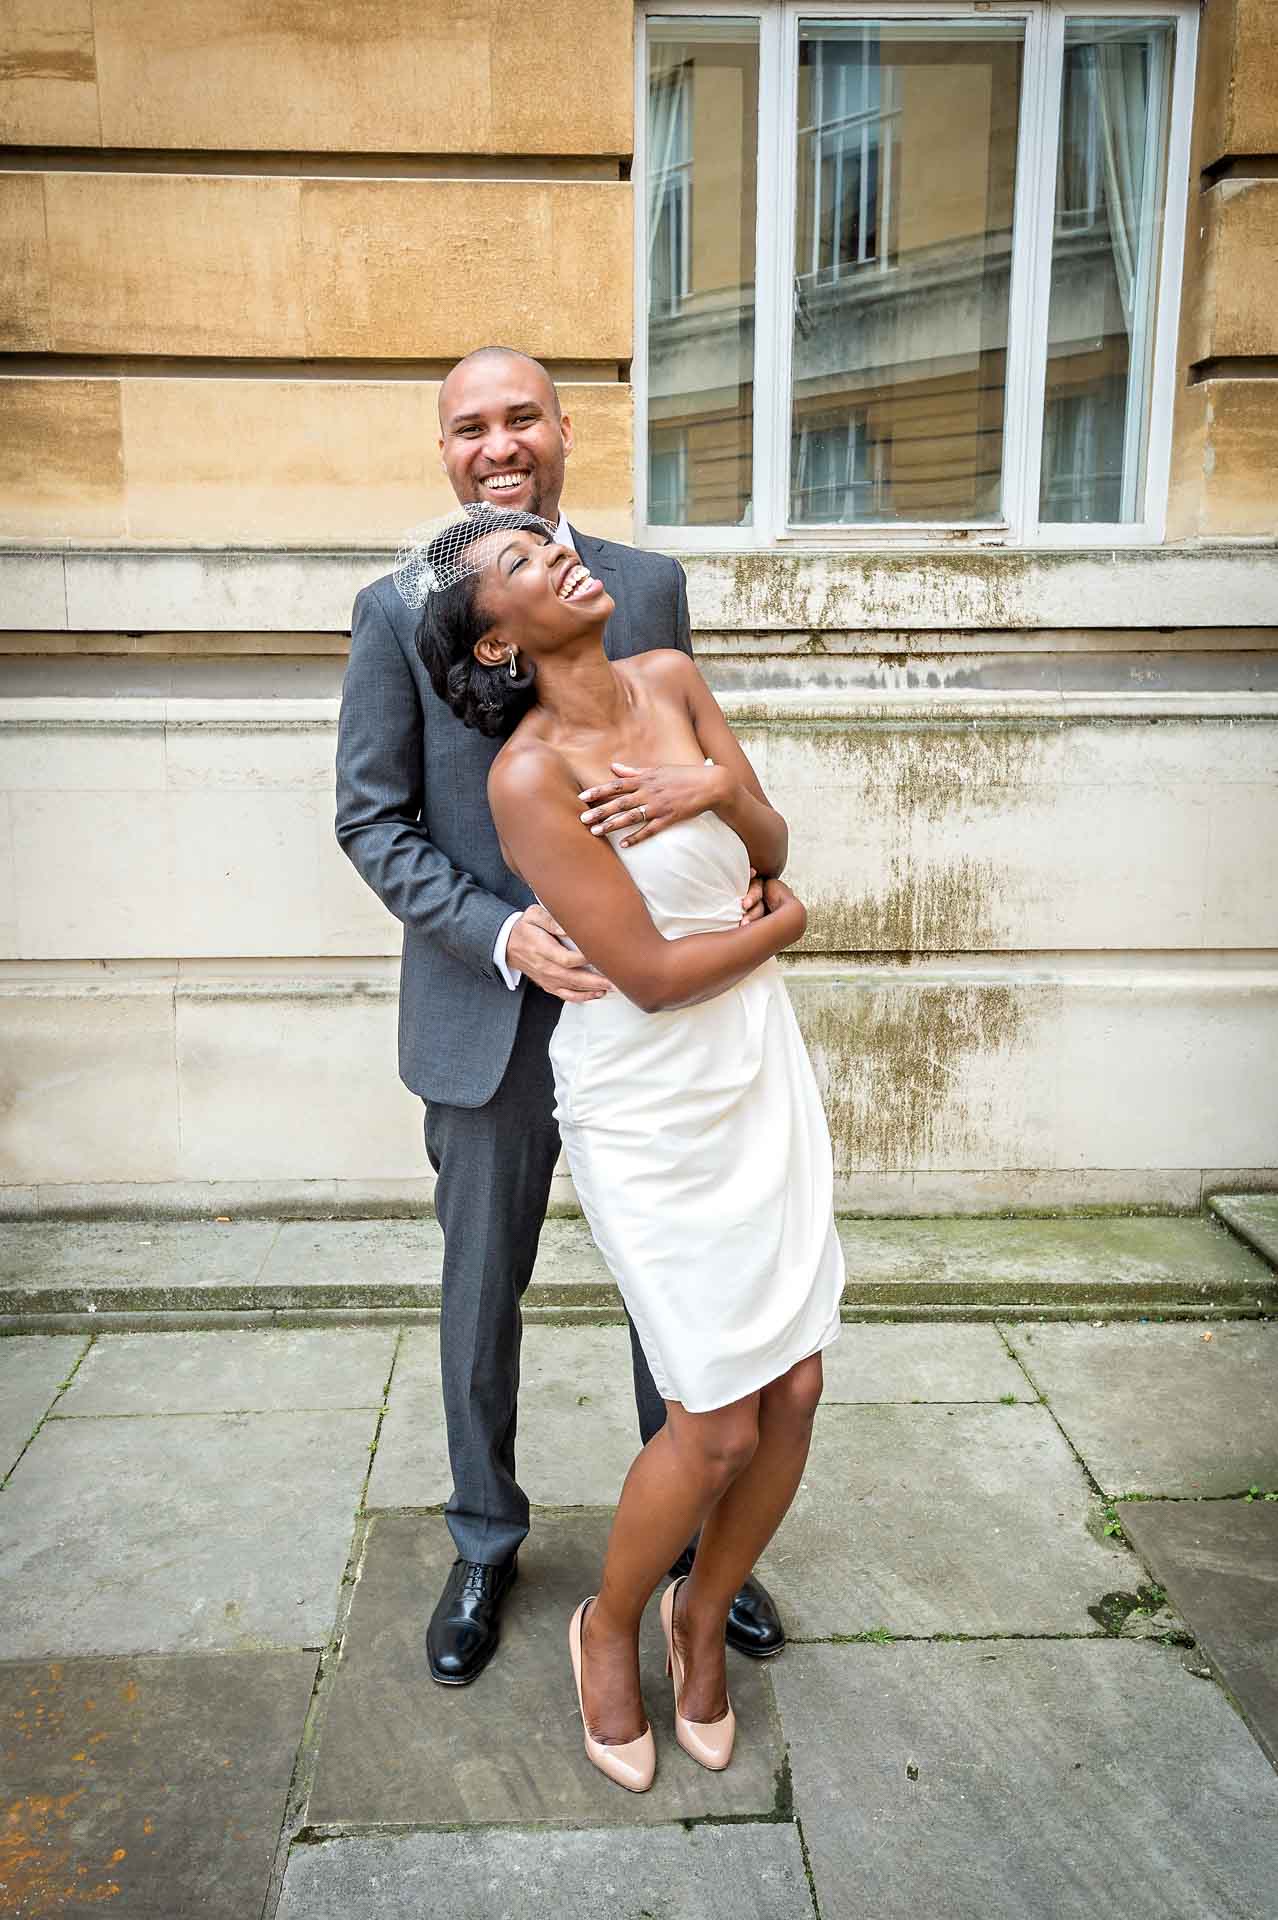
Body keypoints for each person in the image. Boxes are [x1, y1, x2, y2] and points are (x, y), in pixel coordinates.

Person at [335, 346, 785, 1689]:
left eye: (519, 415)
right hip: (493, 1016)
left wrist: (733, 863)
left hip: (661, 1016)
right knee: (482, 1293)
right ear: (445, 453)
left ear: (564, 429)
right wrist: (499, 929)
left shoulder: (643, 588)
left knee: (682, 1287)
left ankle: (702, 1553)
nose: (497, 442)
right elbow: (372, 817)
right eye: (469, 426)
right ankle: (485, 1540)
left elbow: (688, 766)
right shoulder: (390, 609)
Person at [412, 504, 844, 1790]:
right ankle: (607, 1627)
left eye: (547, 540)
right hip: (651, 1100)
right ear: (498, 646)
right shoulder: (528, 777)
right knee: (713, 1422)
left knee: (799, 1390)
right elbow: (650, 975)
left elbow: (768, 844)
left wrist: (715, 786)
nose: (554, 550)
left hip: (759, 1067)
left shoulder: (671, 678)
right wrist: (791, 926)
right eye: (519, 563)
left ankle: (699, 1614)